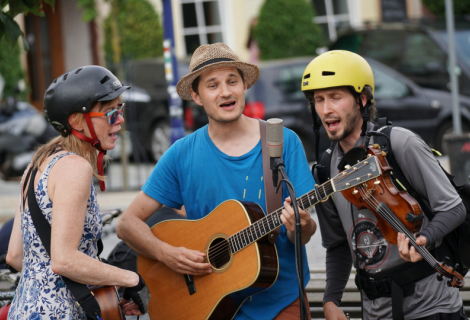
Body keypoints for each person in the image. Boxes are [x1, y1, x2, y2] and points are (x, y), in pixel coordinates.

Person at [117, 42, 316, 319]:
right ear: (197, 97)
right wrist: (166, 253)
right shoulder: (181, 154)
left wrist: (301, 227)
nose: (225, 92)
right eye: (212, 85)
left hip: (280, 300)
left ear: (245, 84)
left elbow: (302, 234)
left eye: (232, 81)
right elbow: (127, 225)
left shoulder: (281, 142)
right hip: (208, 304)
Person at [301, 50, 468, 320]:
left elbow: (454, 208)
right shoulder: (324, 168)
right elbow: (337, 245)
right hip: (375, 313)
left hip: (432, 307)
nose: (325, 109)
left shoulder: (400, 144)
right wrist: (331, 299)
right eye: (318, 100)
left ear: (362, 99)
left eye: (335, 97)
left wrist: (422, 239)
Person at [6, 66, 149, 320]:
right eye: (111, 113)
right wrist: (130, 278)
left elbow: (15, 256)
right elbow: (64, 260)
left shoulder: (36, 164)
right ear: (77, 121)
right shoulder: (76, 167)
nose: (120, 120)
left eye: (121, 110)